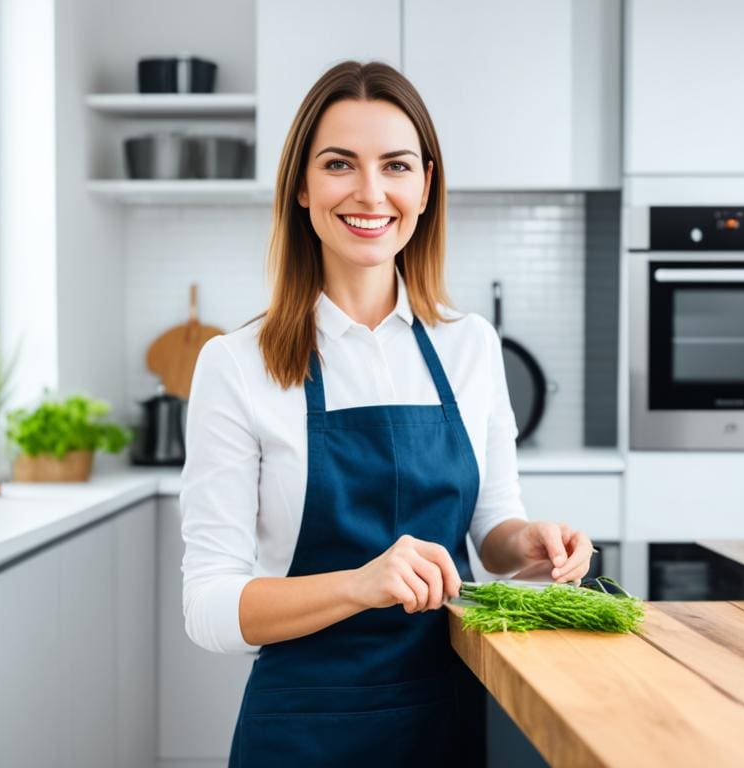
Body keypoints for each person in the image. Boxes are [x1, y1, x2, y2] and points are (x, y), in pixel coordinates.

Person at [180, 60, 594, 768]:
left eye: (396, 165)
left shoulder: (470, 346)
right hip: (302, 729)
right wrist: (358, 584)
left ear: (425, 186)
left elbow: (491, 527)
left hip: (451, 716)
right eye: (340, 164)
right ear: (303, 188)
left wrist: (529, 543)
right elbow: (209, 609)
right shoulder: (235, 363)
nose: (370, 192)